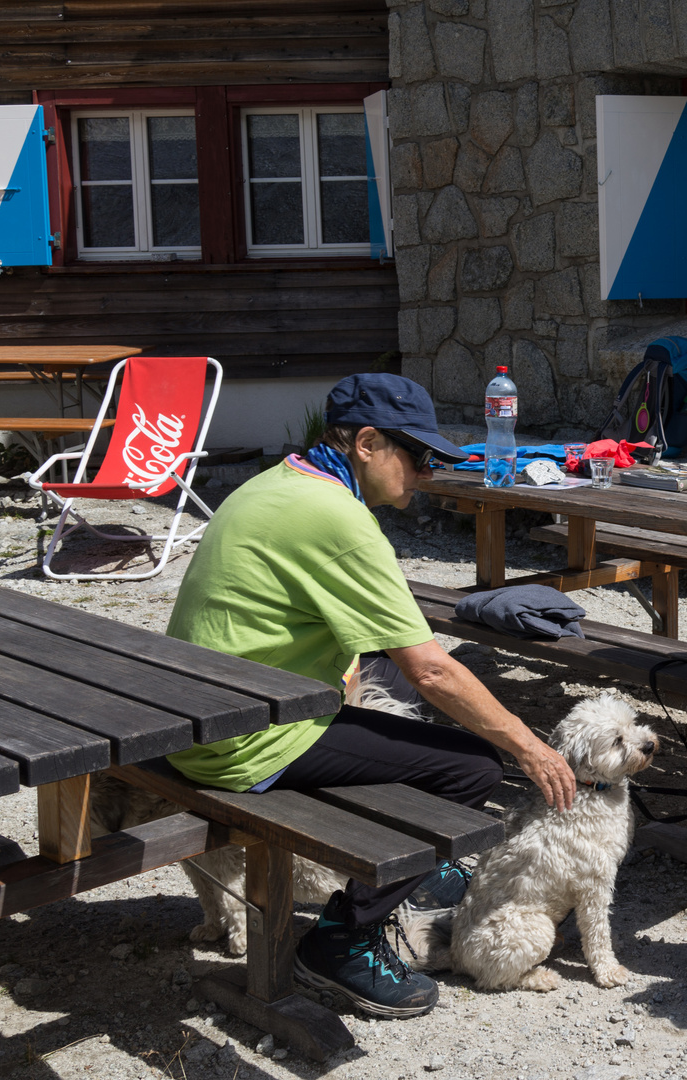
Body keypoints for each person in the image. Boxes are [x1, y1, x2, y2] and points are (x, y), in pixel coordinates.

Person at [165, 373, 576, 1018]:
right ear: (366, 443)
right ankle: (342, 939)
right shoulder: (339, 518)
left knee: (399, 717)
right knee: (473, 766)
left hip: (203, 714)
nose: (426, 473)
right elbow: (432, 671)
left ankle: (418, 862)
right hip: (246, 743)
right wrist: (532, 748)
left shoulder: (281, 482)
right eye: (416, 456)